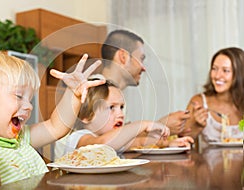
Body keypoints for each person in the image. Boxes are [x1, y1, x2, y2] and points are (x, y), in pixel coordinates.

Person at [0, 51, 104, 189]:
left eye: (30, 99)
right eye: (18, 96)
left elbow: (55, 127)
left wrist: (73, 93)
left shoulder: (20, 138)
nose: (29, 106)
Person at [56, 79, 193, 157]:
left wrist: (168, 144)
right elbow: (100, 144)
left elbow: (140, 142)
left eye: (121, 107)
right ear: (86, 116)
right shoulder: (79, 137)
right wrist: (142, 125)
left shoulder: (114, 140)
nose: (120, 114)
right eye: (112, 108)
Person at [98, 29, 190, 135]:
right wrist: (161, 125)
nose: (144, 68)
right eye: (141, 59)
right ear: (123, 57)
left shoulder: (117, 95)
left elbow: (122, 136)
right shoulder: (94, 91)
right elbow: (110, 141)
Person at [180, 47, 244, 144]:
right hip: (209, 159)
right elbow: (182, 141)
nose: (217, 76)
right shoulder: (199, 102)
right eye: (214, 69)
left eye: (225, 70)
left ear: (240, 74)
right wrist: (196, 125)